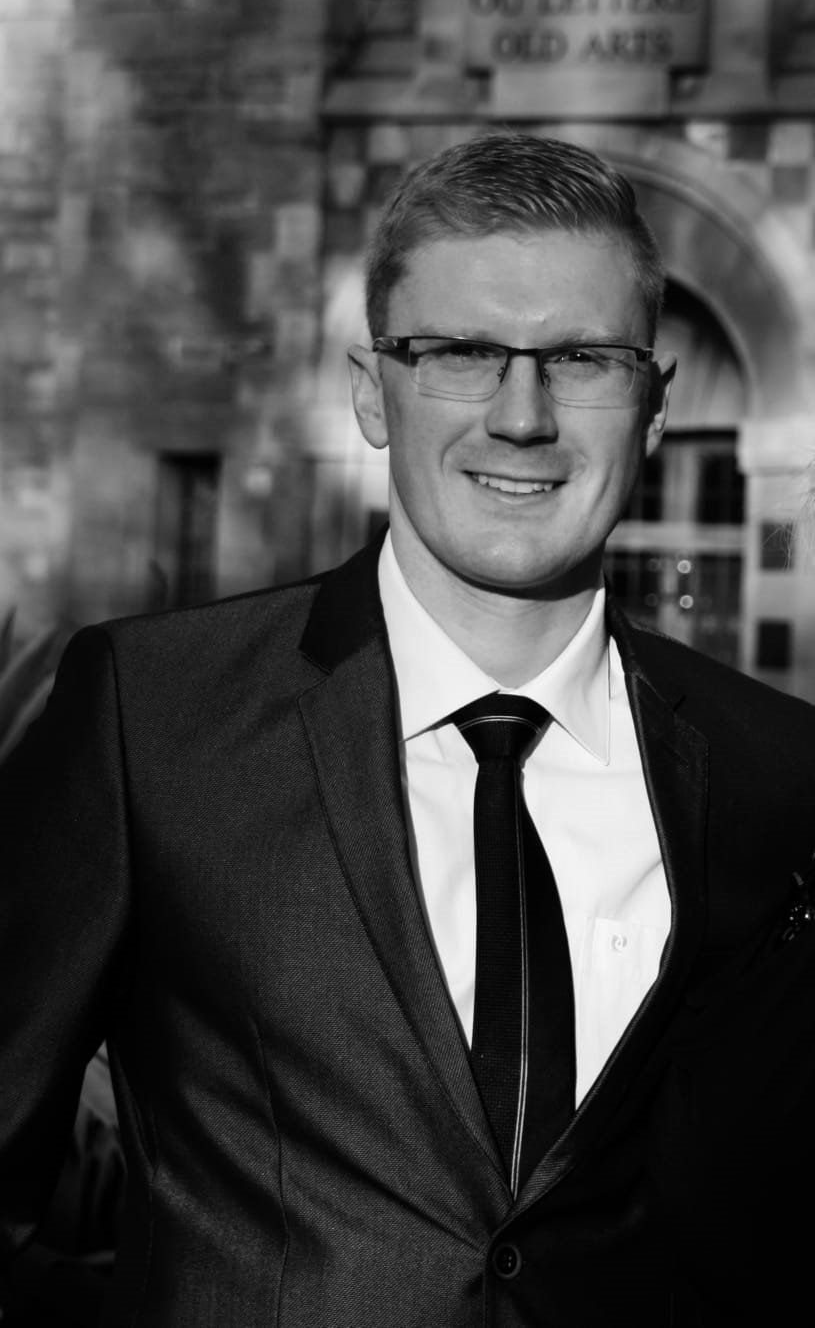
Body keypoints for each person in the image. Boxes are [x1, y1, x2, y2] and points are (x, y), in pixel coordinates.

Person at [1, 133, 814, 1328]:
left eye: (581, 357)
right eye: (459, 354)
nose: (520, 416)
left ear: (650, 404)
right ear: (371, 390)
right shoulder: (152, 721)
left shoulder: (778, 774)